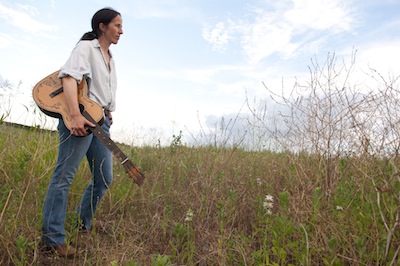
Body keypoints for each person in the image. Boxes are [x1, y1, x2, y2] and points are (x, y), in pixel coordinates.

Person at [41, 7, 123, 258]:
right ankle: (53, 238)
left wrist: (107, 111)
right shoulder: (86, 48)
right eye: (117, 26)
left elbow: (99, 91)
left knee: (104, 177)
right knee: (64, 176)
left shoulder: (111, 59)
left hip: (100, 122)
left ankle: (80, 223)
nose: (121, 31)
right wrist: (75, 115)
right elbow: (68, 78)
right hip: (80, 119)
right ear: (102, 26)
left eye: (121, 26)